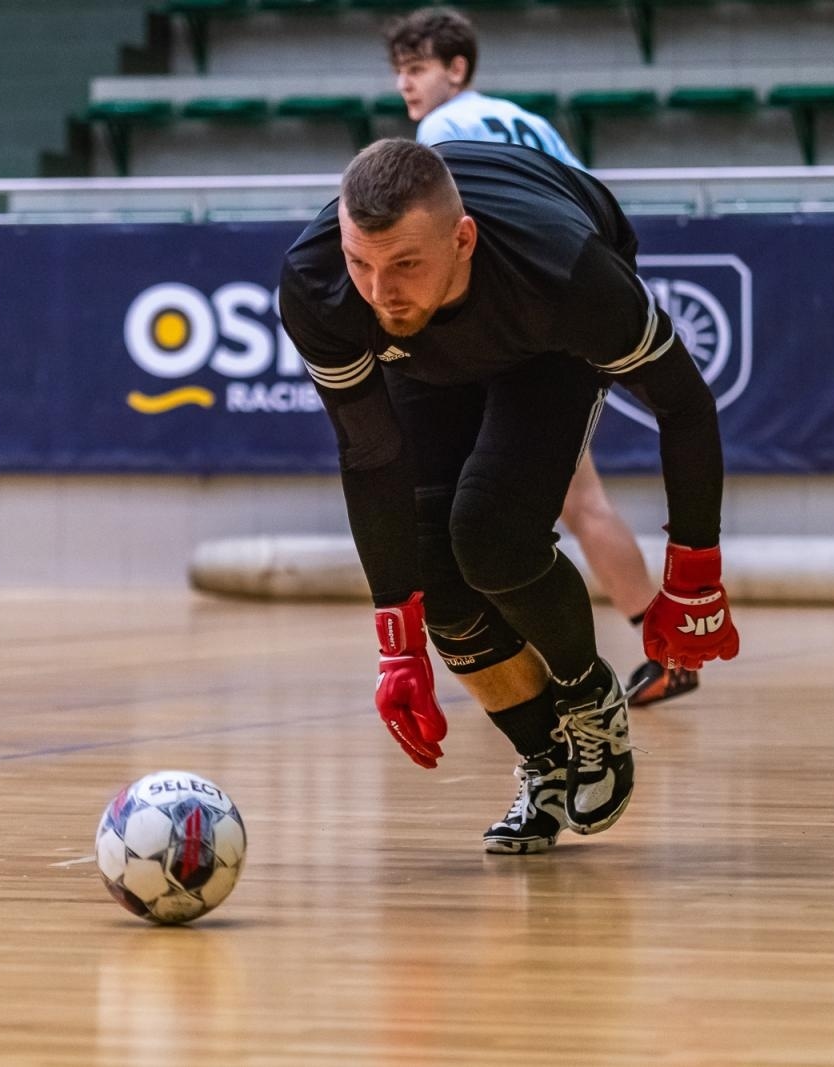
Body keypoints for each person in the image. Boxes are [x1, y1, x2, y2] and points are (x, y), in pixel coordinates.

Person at [278, 138, 739, 852]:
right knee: (437, 578)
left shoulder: (569, 274)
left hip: (545, 341)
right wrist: (396, 645)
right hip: (426, 359)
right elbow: (369, 454)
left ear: (462, 239)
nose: (379, 291)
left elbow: (685, 404)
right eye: (360, 262)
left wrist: (695, 567)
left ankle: (590, 696)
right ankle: (542, 757)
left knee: (490, 536)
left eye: (404, 264)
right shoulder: (319, 285)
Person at [384, 6, 697, 707]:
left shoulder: (440, 133)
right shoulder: (529, 122)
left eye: (417, 69)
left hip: (511, 328)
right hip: (570, 302)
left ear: (455, 69)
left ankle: (589, 654)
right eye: (399, 72)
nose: (406, 85)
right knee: (568, 500)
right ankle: (643, 644)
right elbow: (586, 205)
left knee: (564, 502)